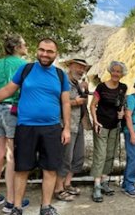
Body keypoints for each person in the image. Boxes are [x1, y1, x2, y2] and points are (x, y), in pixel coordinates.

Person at [0, 38, 71, 215]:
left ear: (55, 54)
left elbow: (65, 103)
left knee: (50, 169)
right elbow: (7, 90)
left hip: (52, 128)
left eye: (49, 51)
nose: (45, 54)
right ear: (37, 51)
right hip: (25, 127)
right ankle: (17, 207)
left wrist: (66, 128)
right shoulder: (26, 69)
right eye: (42, 50)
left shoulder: (60, 75)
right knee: (22, 168)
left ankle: (45, 206)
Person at [0, 34, 30, 213]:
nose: (26, 47)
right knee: (12, 155)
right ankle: (11, 200)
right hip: (12, 109)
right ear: (17, 47)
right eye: (24, 45)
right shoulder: (23, 65)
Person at [89, 61, 127, 203]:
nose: (116, 73)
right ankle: (97, 186)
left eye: (119, 71)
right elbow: (93, 105)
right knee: (100, 154)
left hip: (115, 125)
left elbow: (121, 104)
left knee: (110, 153)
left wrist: (122, 114)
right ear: (110, 72)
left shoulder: (123, 87)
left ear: (122, 74)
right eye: (114, 71)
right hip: (101, 124)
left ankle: (104, 182)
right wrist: (95, 121)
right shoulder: (101, 87)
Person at [54, 58, 91, 201]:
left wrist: (85, 91)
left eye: (84, 68)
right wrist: (75, 102)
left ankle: (67, 184)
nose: (81, 70)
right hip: (66, 125)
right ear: (70, 66)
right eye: (79, 67)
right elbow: (57, 103)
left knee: (78, 156)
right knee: (65, 158)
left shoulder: (77, 84)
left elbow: (84, 103)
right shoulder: (62, 82)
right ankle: (58, 189)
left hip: (79, 124)